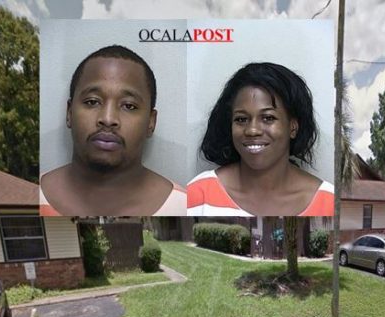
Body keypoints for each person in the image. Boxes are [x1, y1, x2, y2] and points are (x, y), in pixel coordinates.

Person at [40, 45, 186, 216]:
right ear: (69, 113)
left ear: (151, 122)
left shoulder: (184, 206)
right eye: (92, 102)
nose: (108, 119)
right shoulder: (31, 194)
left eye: (129, 106)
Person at [186, 62, 333, 217]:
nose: (252, 130)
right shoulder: (199, 193)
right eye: (241, 119)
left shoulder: (328, 201)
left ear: (293, 127)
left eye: (268, 118)